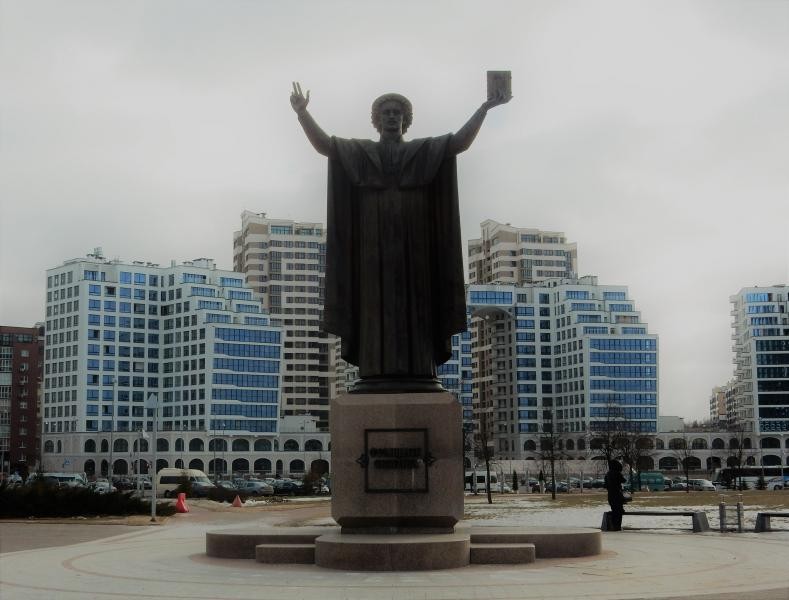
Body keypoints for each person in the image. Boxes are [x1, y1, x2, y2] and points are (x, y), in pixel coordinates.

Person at [290, 82, 510, 393]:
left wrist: (485, 108)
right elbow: (326, 145)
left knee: (418, 307)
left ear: (406, 120)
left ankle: (419, 369)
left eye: (397, 113)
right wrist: (303, 114)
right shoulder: (361, 152)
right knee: (373, 309)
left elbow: (458, 142)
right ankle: (375, 370)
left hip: (417, 247)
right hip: (371, 248)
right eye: (385, 113)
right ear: (376, 120)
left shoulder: (421, 151)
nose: (392, 117)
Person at [604, 459, 627, 531]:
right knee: (619, 512)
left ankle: (614, 526)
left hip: (611, 495)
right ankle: (617, 527)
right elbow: (624, 480)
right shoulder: (617, 473)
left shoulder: (608, 474)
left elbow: (605, 485)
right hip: (617, 495)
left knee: (614, 510)